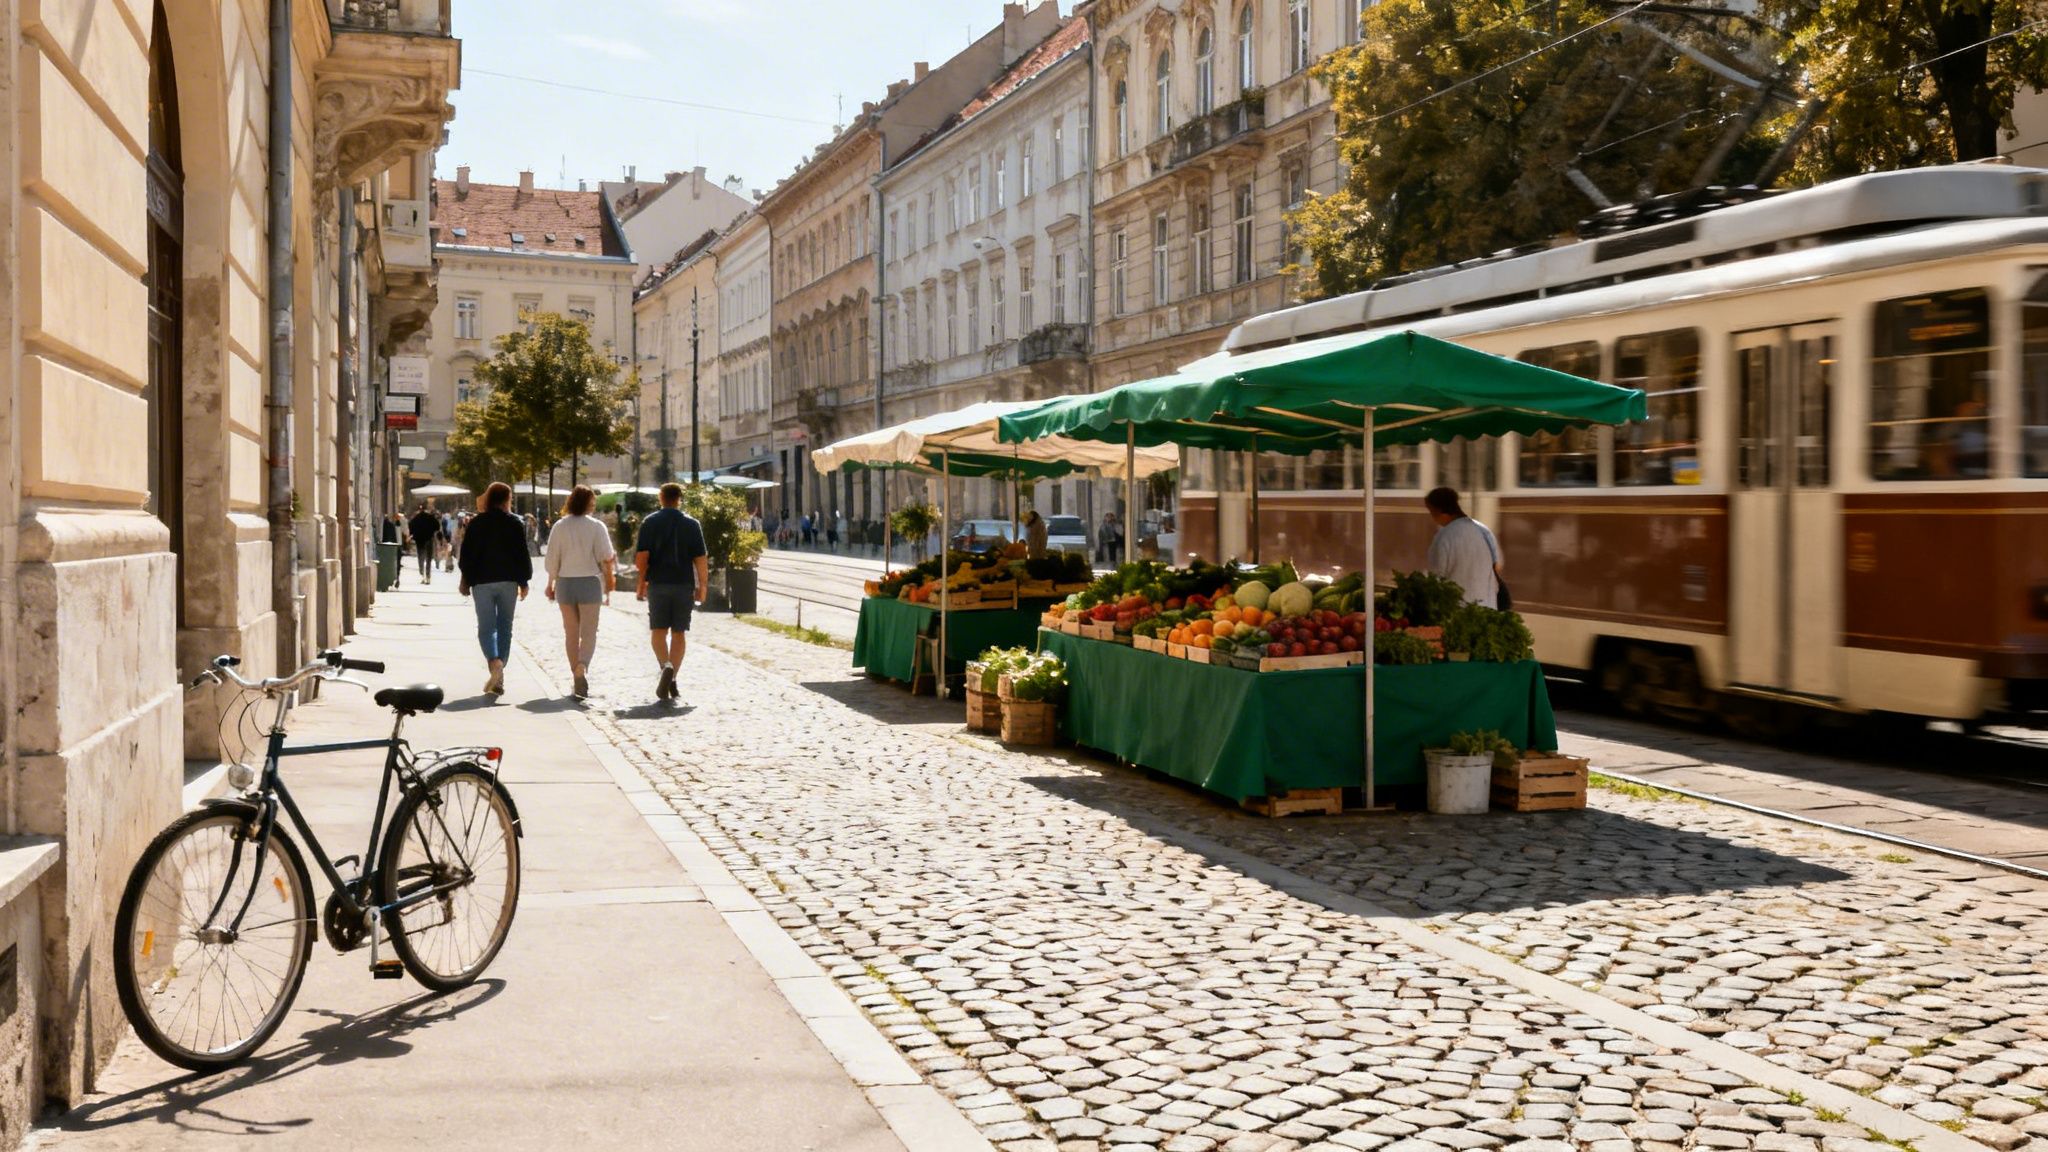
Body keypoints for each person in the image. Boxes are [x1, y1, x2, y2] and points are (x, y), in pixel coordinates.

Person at [635, 482, 709, 703]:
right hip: (683, 584)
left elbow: (642, 558)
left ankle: (665, 666)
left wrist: (641, 582)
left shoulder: (649, 522)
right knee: (678, 633)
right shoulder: (692, 524)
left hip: (658, 584)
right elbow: (701, 559)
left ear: (661, 498)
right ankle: (673, 677)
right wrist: (703, 586)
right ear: (679, 499)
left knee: (658, 630)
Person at [457, 482, 533, 695]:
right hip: (508, 582)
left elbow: (467, 556)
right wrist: (524, 581)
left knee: (486, 627)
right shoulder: (515, 524)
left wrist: (466, 579)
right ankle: (501, 670)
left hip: (482, 582)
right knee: (505, 627)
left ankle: (494, 663)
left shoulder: (475, 524)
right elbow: (521, 554)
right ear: (507, 500)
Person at [544, 485, 616, 699]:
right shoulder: (597, 527)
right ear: (588, 503)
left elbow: (552, 559)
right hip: (589, 582)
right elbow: (605, 556)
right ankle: (582, 667)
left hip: (565, 583)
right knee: (589, 632)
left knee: (571, 633)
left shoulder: (559, 526)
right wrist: (609, 581)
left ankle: (574, 671)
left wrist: (551, 583)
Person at [1423, 486, 1502, 608]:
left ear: (1438, 510)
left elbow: (1436, 578)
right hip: (1488, 607)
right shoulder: (1483, 531)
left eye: (1431, 511)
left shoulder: (1444, 537)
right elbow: (1496, 566)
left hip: (1459, 611)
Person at [408, 503, 440, 583]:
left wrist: (413, 533)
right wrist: (432, 531)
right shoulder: (430, 517)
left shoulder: (416, 518)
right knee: (428, 558)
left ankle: (422, 574)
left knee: (420, 557)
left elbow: (410, 526)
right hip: (429, 539)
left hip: (419, 540)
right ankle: (428, 576)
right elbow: (437, 526)